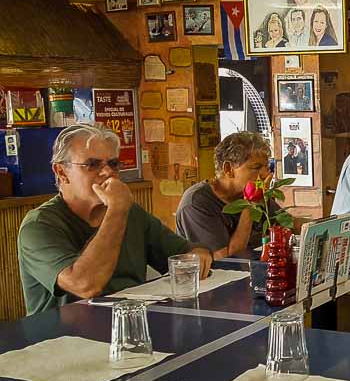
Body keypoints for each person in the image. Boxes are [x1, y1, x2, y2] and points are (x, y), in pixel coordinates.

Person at [17, 124, 212, 315]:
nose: (107, 172)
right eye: (92, 165)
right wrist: (117, 210)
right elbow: (85, 284)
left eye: (113, 164)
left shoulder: (131, 212)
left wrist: (199, 255)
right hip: (63, 340)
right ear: (61, 172)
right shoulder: (39, 225)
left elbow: (185, 252)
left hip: (130, 325)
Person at [176, 132, 282, 260]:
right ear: (228, 169)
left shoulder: (248, 192)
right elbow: (226, 259)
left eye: (266, 167)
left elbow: (288, 223)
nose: (265, 174)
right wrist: (250, 205)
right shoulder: (196, 203)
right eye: (256, 167)